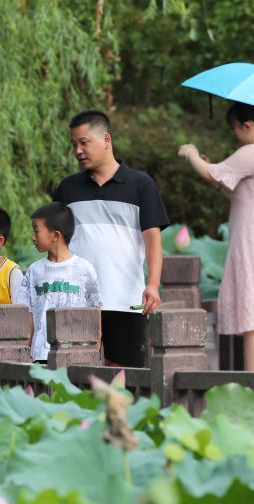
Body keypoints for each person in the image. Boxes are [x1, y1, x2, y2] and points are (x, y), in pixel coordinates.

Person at [53, 110, 169, 368]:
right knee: (76, 371)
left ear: (106, 139)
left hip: (125, 297)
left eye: (84, 142)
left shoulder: (141, 184)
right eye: (74, 144)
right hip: (77, 298)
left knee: (123, 374)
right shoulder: (67, 188)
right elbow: (56, 241)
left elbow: (153, 239)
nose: (78, 151)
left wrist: (153, 284)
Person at [178, 102, 254, 372]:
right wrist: (210, 168)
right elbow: (230, 186)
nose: (234, 134)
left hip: (251, 240)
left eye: (234, 128)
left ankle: (253, 385)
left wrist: (191, 154)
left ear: (247, 126)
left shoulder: (251, 152)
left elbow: (211, 175)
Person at [21, 202, 103, 362]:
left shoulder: (84, 269)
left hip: (78, 354)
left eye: (37, 231)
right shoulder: (34, 271)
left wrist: (95, 348)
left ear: (56, 235)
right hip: (41, 356)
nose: (33, 237)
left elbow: (95, 311)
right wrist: (26, 352)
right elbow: (28, 315)